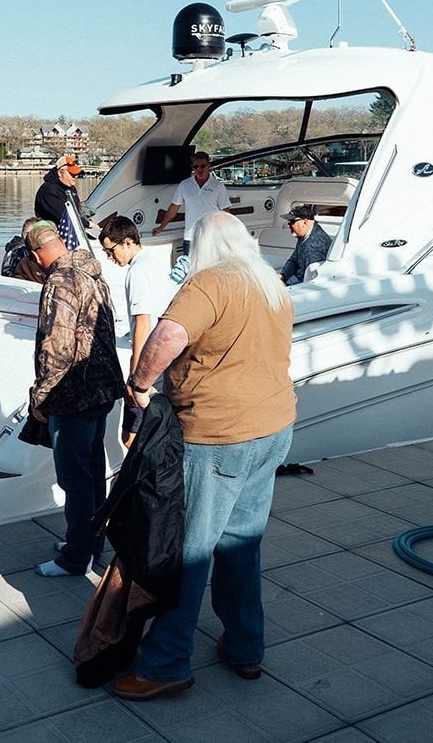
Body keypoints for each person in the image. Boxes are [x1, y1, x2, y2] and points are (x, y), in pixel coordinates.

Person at [111, 211, 296, 700]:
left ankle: (166, 662)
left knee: (188, 553)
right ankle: (246, 649)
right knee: (240, 544)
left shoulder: (211, 283)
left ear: (201, 246)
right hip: (272, 427)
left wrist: (140, 383)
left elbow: (167, 337)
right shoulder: (270, 284)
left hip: (219, 436)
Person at [26, 221, 127, 577]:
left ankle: (76, 557)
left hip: (72, 394)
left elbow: (56, 347)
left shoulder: (59, 281)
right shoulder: (93, 275)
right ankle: (88, 540)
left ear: (38, 252)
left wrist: (40, 397)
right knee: (93, 470)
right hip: (102, 387)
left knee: (74, 477)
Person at [99, 216, 174, 443]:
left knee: (131, 437)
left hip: (150, 362)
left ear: (128, 242)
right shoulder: (151, 264)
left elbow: (143, 324)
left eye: (111, 251)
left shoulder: (137, 272)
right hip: (165, 356)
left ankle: (144, 477)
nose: (110, 257)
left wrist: (135, 377)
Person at [151, 150, 230, 250]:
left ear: (208, 166)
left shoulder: (218, 186)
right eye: (196, 167)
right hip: (190, 237)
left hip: (211, 238)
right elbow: (173, 208)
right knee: (189, 266)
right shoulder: (184, 185)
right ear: (192, 168)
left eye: (203, 166)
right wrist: (162, 227)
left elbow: (226, 212)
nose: (199, 169)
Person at [34, 156, 88, 250]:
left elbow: (76, 211)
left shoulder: (70, 188)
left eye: (76, 175)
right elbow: (66, 215)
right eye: (72, 174)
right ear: (60, 172)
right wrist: (88, 224)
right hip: (50, 239)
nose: (75, 178)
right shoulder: (48, 190)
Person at [278, 205, 330, 285]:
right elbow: (294, 259)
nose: (288, 225)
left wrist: (286, 284)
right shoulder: (305, 234)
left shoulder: (314, 245)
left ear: (304, 222)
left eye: (292, 221)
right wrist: (283, 275)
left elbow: (308, 276)